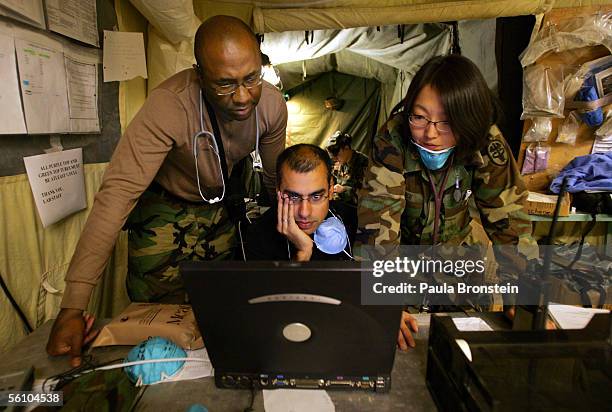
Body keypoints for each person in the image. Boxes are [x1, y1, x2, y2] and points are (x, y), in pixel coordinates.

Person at [47, 15, 288, 366]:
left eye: (251, 78)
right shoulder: (168, 106)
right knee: (156, 322)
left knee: (216, 315)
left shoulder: (271, 105)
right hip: (164, 210)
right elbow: (115, 198)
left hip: (218, 207)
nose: (242, 97)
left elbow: (273, 182)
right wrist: (73, 306)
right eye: (224, 83)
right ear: (200, 74)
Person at [356, 55, 536, 351]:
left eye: (447, 122)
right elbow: (377, 228)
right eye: (420, 117)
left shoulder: (485, 141)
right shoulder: (392, 140)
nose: (430, 133)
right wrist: (384, 302)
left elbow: (510, 223)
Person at [246, 144, 355, 261]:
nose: (304, 213)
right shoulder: (258, 236)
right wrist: (303, 252)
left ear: (331, 189)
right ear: (278, 190)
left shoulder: (348, 217)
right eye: (293, 197)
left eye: (316, 196)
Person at [326, 131, 369, 208]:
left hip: (358, 210)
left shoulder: (364, 163)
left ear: (346, 148)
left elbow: (369, 195)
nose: (335, 159)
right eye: (333, 157)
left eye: (337, 155)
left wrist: (344, 190)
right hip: (341, 205)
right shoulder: (338, 163)